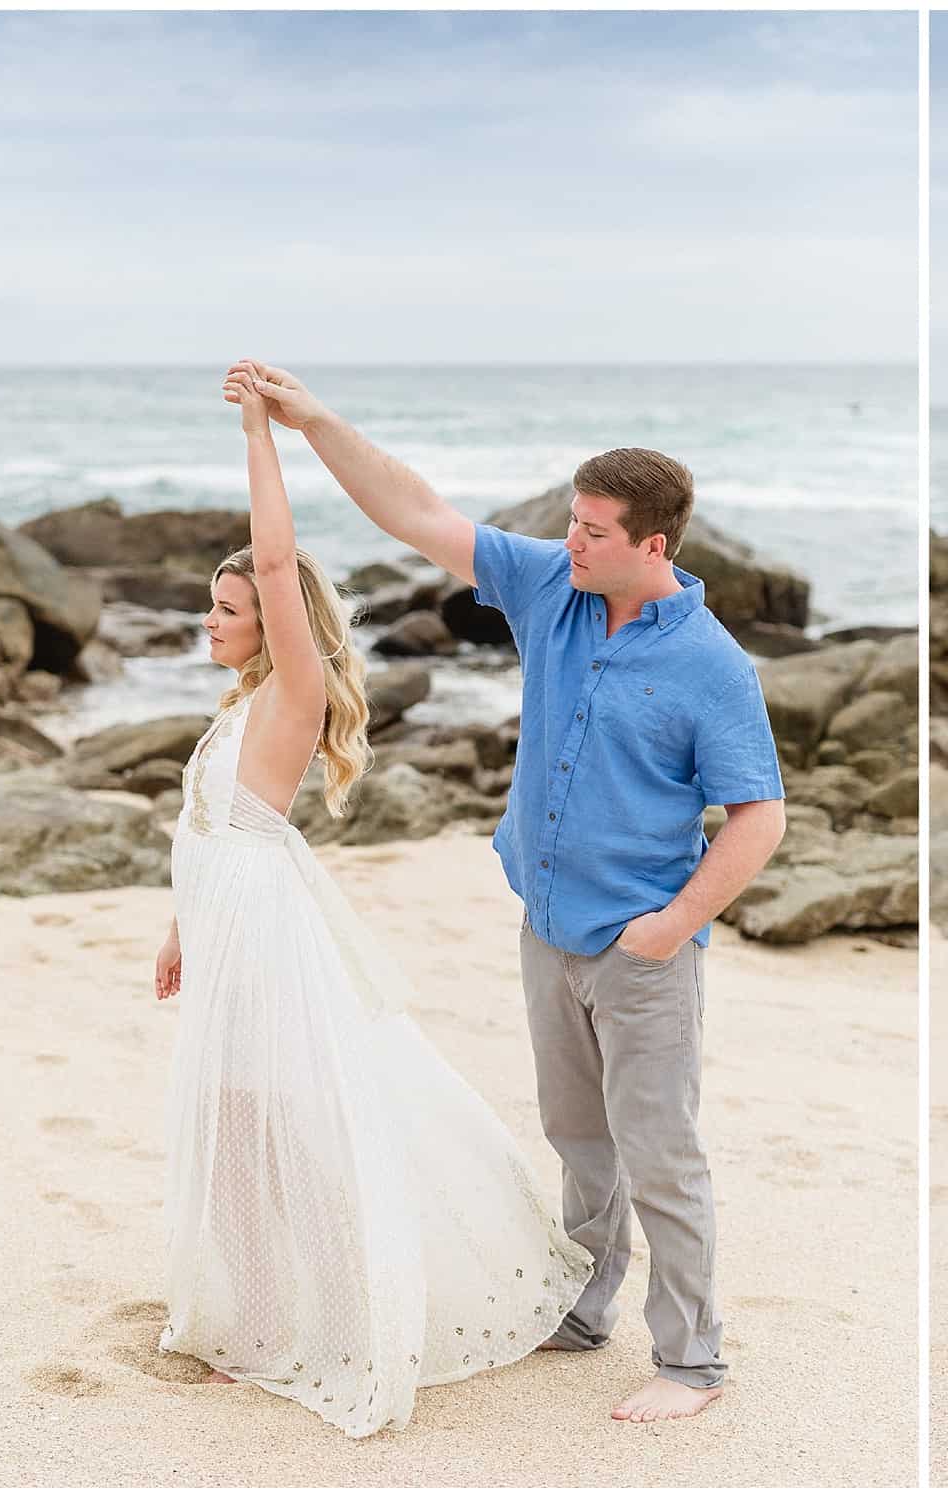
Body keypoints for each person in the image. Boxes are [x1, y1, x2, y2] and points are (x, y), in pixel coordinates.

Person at [220, 358, 787, 1424]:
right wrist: (310, 420)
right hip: (546, 928)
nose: (569, 541)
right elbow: (415, 509)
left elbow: (760, 818)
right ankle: (583, 1309)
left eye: (592, 531)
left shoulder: (712, 665)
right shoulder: (550, 588)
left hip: (641, 948)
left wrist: (672, 924)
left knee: (659, 1151)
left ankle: (692, 1361)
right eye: (570, 522)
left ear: (651, 546)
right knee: (578, 1139)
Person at [153, 371, 594, 1439]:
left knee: (295, 1126)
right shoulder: (240, 704)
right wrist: (177, 929)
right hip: (224, 918)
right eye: (210, 607)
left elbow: (272, 554)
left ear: (275, 621)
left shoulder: (292, 690)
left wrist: (262, 432)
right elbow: (204, 829)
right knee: (233, 1124)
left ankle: (354, 1314)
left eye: (226, 607)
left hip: (267, 926)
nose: (208, 621)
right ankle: (255, 1328)